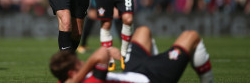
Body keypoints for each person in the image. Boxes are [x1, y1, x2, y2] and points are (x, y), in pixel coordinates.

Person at [50, 26, 215, 83]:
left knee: (143, 31)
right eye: (78, 64)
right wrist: (84, 71)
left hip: (133, 71)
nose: (81, 63)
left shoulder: (65, 78)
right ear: (73, 72)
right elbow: (100, 54)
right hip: (151, 78)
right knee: (191, 36)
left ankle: (156, 60)